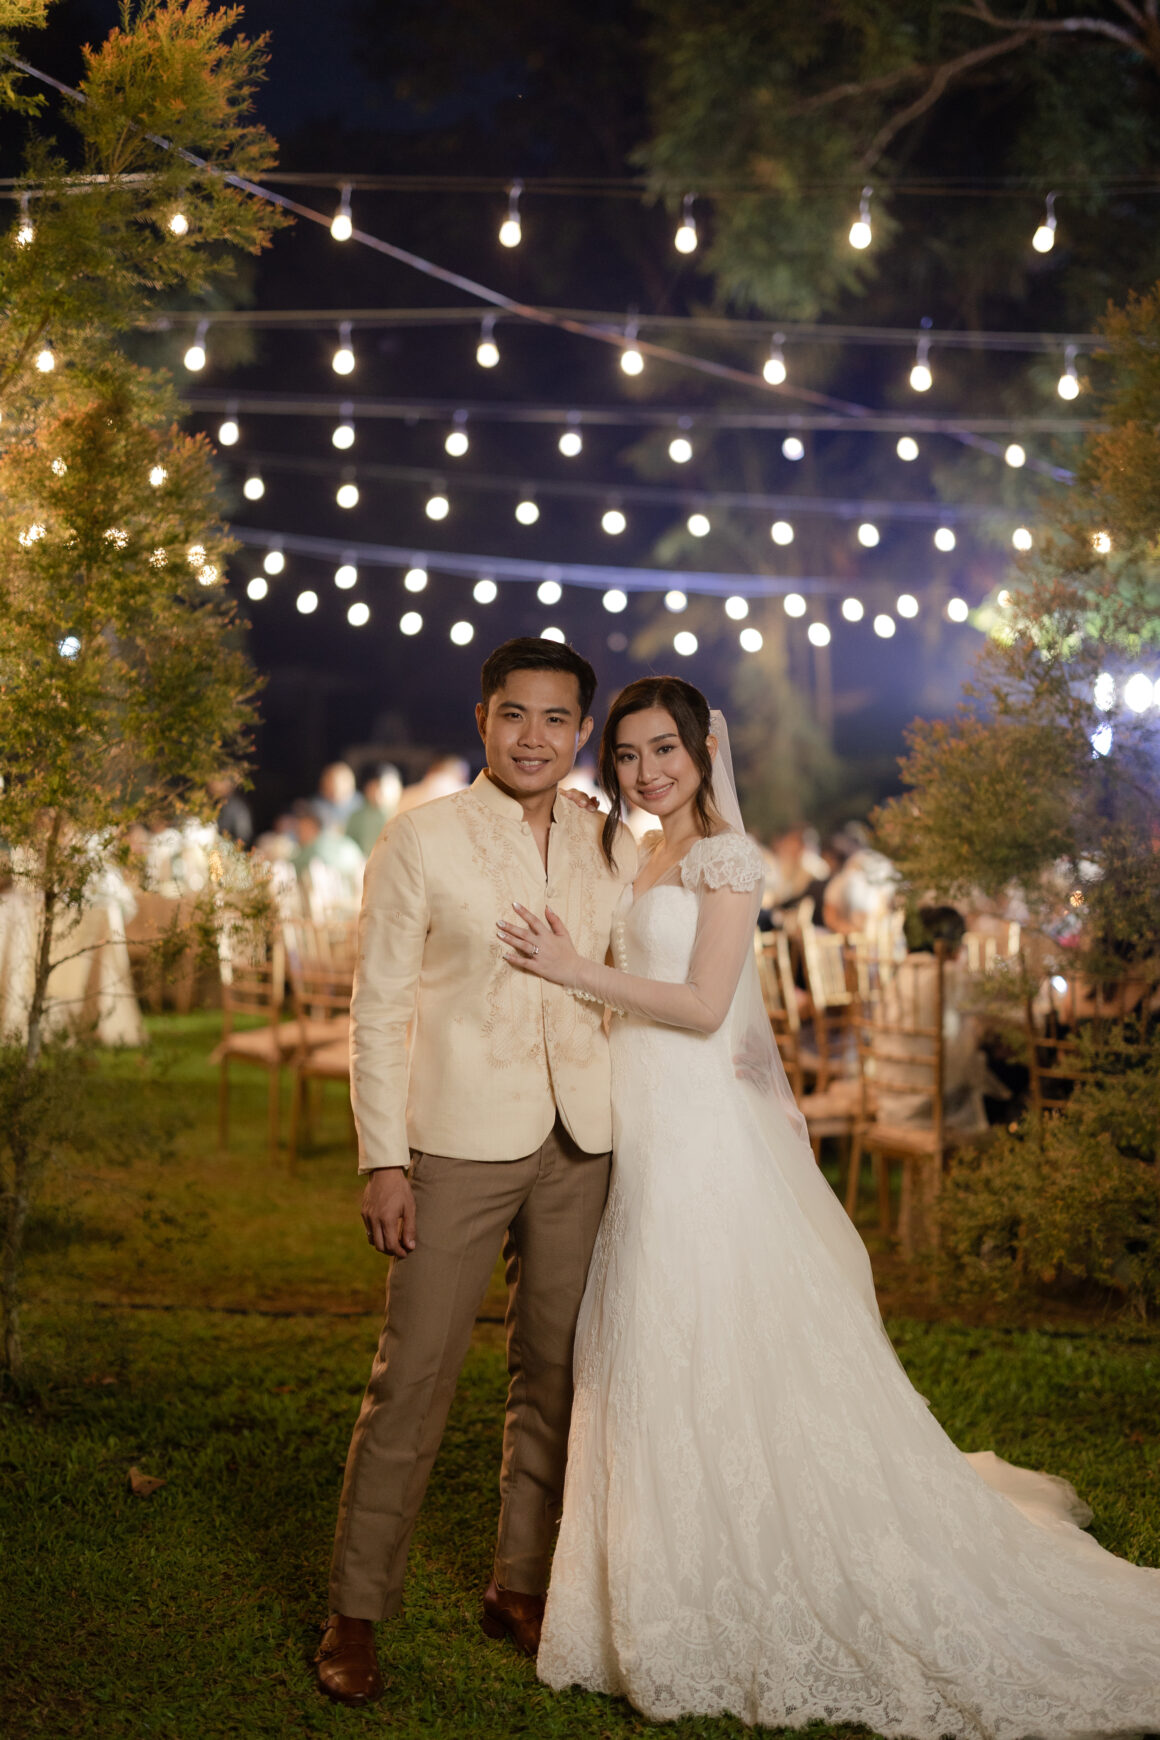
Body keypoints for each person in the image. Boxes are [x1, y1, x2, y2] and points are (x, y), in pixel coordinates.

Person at [498, 674, 1160, 1738]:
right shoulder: (638, 851)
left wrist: (575, 969)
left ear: (704, 754)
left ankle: (745, 1552)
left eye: (664, 749)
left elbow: (703, 1006)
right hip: (639, 1119)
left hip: (695, 1129)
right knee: (649, 1330)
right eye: (625, 754)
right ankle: (659, 1554)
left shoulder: (727, 860)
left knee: (699, 1322)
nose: (646, 771)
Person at [314, 638, 637, 1707]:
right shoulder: (421, 838)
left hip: (582, 1143)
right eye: (514, 714)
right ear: (482, 719)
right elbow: (377, 1009)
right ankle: (355, 1611)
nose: (533, 737)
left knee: (556, 1375)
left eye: (556, 719)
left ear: (582, 731)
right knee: (411, 1380)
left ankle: (520, 1584)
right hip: (452, 1144)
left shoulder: (606, 837)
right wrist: (383, 1159)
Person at [345, 765, 402, 857]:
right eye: (375, 786)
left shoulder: (405, 814)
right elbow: (349, 846)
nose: (380, 792)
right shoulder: (357, 817)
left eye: (386, 787)